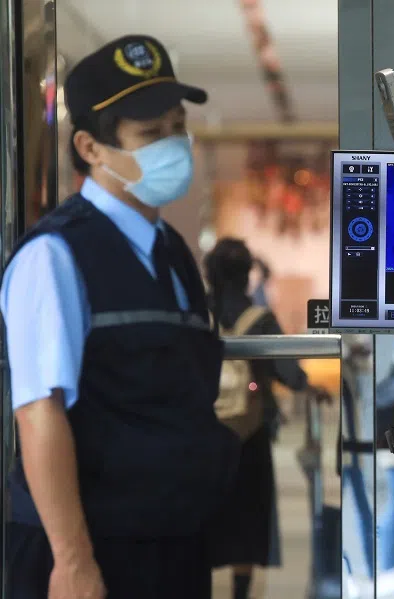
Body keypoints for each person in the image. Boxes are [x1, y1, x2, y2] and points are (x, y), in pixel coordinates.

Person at [1, 35, 240, 598]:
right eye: (151, 133)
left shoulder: (173, 254)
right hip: (91, 551)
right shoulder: (55, 255)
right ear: (90, 147)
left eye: (178, 126)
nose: (174, 144)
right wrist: (73, 561)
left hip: (171, 544)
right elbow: (39, 412)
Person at [203, 238, 310, 599]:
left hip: (203, 434)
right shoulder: (260, 319)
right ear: (247, 272)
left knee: (203, 515)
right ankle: (240, 593)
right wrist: (309, 384)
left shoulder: (198, 315)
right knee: (247, 518)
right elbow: (290, 373)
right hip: (250, 433)